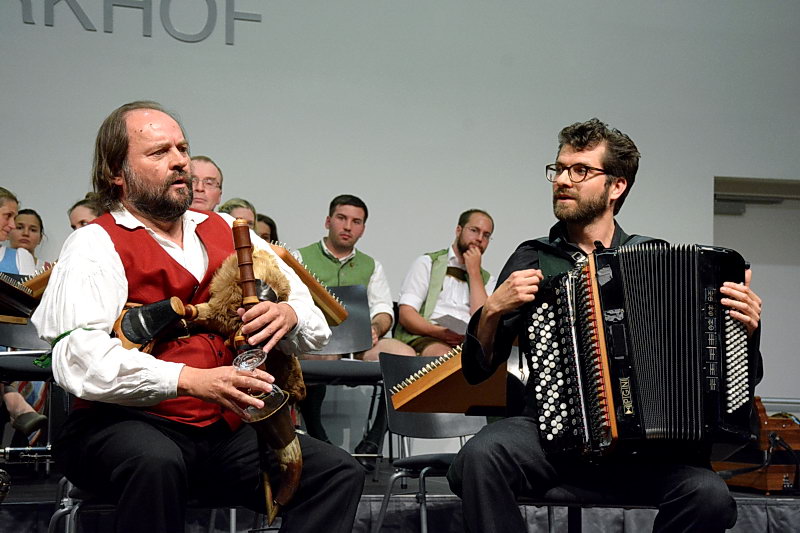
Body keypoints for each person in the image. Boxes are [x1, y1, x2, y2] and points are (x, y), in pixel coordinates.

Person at [32, 101, 364, 533]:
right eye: (159, 152)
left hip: (220, 432)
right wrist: (190, 380)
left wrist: (287, 314)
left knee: (337, 474)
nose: (180, 162)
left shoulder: (228, 228)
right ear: (117, 172)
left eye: (182, 149)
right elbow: (80, 359)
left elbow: (314, 326)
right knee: (156, 463)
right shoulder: (95, 244)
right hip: (121, 424)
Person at [446, 118, 764, 533]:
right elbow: (477, 369)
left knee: (709, 496)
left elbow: (727, 374)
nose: (563, 180)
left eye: (580, 170)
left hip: (646, 452)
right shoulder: (533, 257)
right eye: (560, 169)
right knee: (482, 456)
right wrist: (491, 311)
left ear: (617, 186)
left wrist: (745, 331)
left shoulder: (657, 259)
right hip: (553, 438)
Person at [295, 194, 415, 468]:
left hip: (361, 341)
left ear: (363, 229)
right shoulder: (301, 258)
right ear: (328, 221)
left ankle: (374, 439)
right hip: (320, 342)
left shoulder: (372, 265)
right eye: (342, 218)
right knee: (317, 357)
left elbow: (384, 309)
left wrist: (376, 327)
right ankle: (317, 435)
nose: (348, 226)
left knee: (404, 358)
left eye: (356, 221)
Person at [395, 209, 497, 355]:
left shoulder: (487, 280)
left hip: (466, 344)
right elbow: (406, 314)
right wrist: (438, 332)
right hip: (427, 336)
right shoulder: (428, 263)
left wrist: (474, 273)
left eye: (486, 235)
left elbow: (481, 322)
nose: (480, 238)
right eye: (474, 230)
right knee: (446, 357)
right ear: (458, 230)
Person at [0, 188, 48, 439]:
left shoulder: (18, 257)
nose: (11, 226)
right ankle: (13, 401)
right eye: (8, 217)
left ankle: (12, 398)